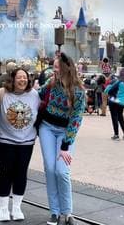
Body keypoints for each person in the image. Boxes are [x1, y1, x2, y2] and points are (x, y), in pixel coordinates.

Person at [38, 52, 85, 225]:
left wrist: (65, 145)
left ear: (66, 68)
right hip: (47, 128)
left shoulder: (78, 91)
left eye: (56, 67)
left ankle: (68, 212)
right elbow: (37, 94)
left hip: (65, 133)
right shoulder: (51, 83)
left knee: (62, 171)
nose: (54, 70)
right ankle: (54, 211)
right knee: (50, 169)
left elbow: (76, 120)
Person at [0, 68, 40, 221]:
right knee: (6, 172)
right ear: (12, 79)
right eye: (19, 77)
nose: (23, 80)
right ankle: (3, 208)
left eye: (25, 77)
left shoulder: (35, 95)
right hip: (4, 140)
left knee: (21, 173)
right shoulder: (2, 93)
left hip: (26, 141)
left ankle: (16, 207)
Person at [104, 67, 124, 141]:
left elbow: (108, 91)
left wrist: (109, 85)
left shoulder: (118, 82)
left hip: (114, 101)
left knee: (114, 118)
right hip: (122, 102)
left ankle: (116, 135)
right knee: (121, 118)